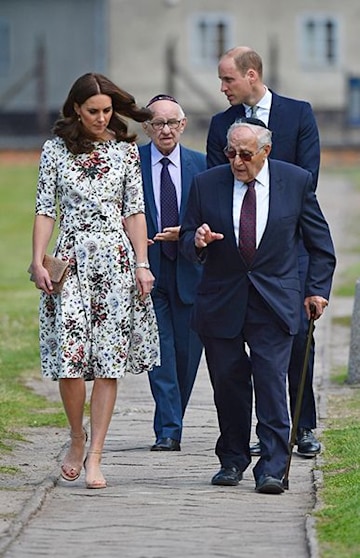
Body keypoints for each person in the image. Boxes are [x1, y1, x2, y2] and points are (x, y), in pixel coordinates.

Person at [179, 119, 335, 494]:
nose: (236, 161)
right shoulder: (206, 183)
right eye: (230, 153)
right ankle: (232, 460)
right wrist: (197, 241)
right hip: (222, 302)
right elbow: (185, 238)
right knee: (229, 387)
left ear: (265, 151)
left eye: (245, 154)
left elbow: (320, 245)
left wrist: (316, 290)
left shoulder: (295, 181)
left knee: (270, 385)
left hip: (275, 303)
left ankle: (273, 468)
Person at [30, 73, 160, 489]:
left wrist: (142, 263)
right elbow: (44, 209)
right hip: (69, 262)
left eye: (107, 111)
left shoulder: (125, 152)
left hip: (115, 263)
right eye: (93, 111)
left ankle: (96, 456)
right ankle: (75, 437)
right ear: (75, 110)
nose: (101, 118)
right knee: (70, 361)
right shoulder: (54, 150)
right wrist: (37, 261)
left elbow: (134, 212)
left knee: (108, 362)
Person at [206, 46, 322, 458]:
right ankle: (261, 433)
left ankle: (302, 424)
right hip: (242, 252)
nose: (222, 88)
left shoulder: (298, 114)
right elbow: (214, 185)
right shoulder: (221, 125)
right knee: (247, 348)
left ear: (251, 75)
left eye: (228, 80)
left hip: (290, 245)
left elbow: (309, 178)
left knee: (295, 337)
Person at [139, 94, 206, 451]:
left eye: (172, 123)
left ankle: (170, 419)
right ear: (147, 128)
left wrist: (188, 230)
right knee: (159, 350)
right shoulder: (132, 164)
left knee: (186, 354)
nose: (165, 130)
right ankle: (169, 429)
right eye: (157, 123)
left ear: (183, 125)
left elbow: (214, 215)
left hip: (190, 270)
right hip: (148, 269)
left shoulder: (202, 164)